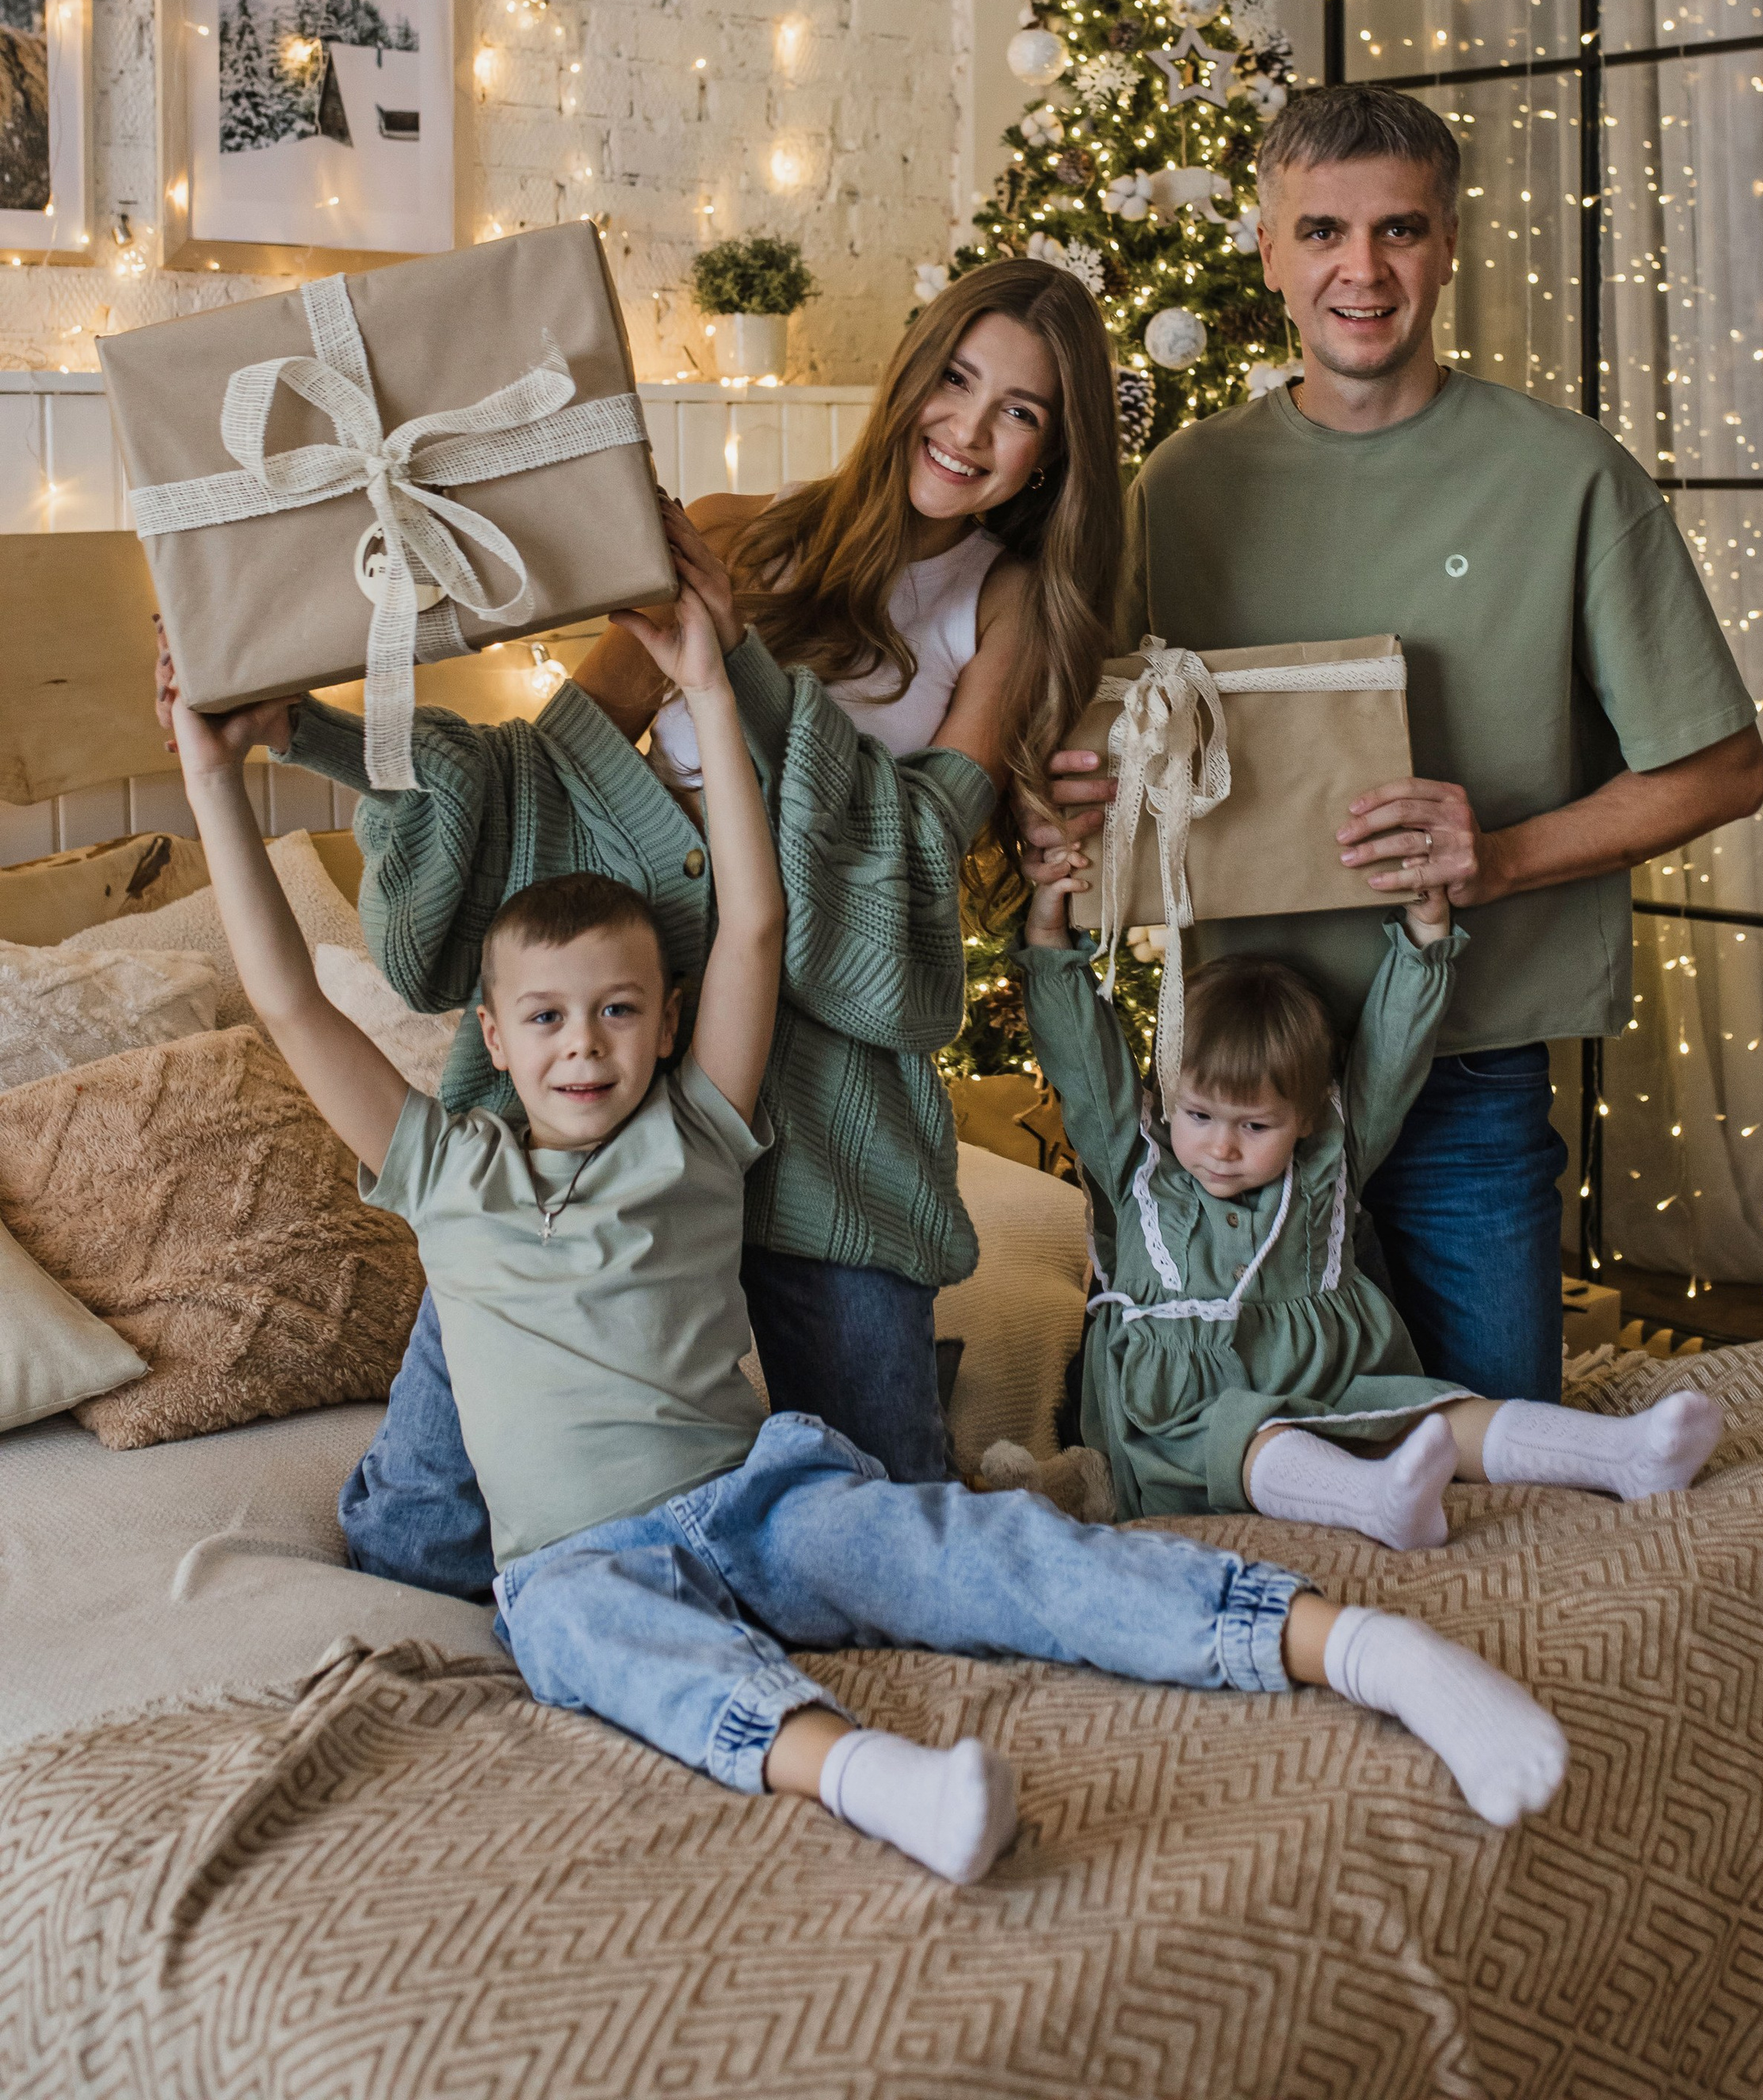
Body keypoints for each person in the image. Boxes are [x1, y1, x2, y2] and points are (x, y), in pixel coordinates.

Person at [162, 562, 1570, 1862]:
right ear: (492, 1032)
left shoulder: (695, 1134)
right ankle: (868, 1775)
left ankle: (1363, 1650)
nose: (583, 1045)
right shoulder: (441, 1170)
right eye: (545, 1018)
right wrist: (211, 773)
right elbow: (287, 995)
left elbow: (756, 924)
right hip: (575, 1558)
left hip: (757, 1501)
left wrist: (710, 685)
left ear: (666, 1024)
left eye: (618, 1011)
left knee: (982, 1551)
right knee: (589, 1646)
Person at [166, 261, 1124, 1596]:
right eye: (957, 380)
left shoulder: (1013, 606)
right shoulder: (730, 533)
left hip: (823, 1090)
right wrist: (309, 729)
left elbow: (914, 855)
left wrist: (734, 666)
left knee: (883, 1534)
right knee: (422, 1538)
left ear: (1052, 455)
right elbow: (543, 768)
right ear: (913, 375)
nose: (970, 429)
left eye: (1021, 412)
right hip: (606, 1057)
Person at [1032, 83, 1763, 1405]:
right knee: (1243, 1455)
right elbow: (1105, 738)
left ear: (1448, 245)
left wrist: (1502, 857)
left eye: (1400, 230)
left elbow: (1723, 769)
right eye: (1323, 231)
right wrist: (1079, 792)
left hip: (1463, 1073)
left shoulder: (1568, 476)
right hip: (1234, 1082)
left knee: (1497, 1449)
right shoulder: (1180, 485)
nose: (1361, 271)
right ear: (1270, 252)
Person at [1018, 852, 1723, 1538]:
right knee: (1249, 1433)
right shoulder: (1138, 1162)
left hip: (1333, 1382)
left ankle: (1622, 1453)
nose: (1222, 1147)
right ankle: (1371, 1498)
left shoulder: (1331, 1157)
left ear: (1306, 1116)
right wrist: (1049, 941)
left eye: (1255, 1125)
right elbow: (1083, 1059)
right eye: (1199, 1115)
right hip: (1186, 1415)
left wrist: (1424, 940)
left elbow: (1390, 1055)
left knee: (1435, 1411)